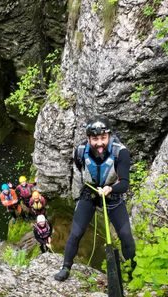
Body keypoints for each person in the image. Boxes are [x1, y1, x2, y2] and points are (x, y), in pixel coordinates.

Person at [53, 118, 136, 282]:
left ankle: (133, 271)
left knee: (126, 235)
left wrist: (110, 188)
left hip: (112, 193)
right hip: (90, 193)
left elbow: (124, 183)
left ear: (109, 136)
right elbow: (80, 168)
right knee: (76, 233)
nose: (99, 143)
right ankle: (66, 267)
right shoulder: (80, 151)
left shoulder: (121, 153)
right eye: (95, 139)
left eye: (103, 138)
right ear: (89, 138)